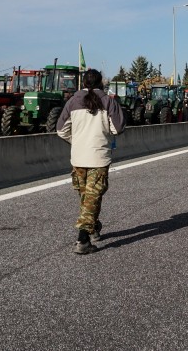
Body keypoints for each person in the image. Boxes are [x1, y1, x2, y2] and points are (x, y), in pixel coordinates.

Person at [56, 69, 126, 255]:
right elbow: (117, 128)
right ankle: (83, 240)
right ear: (101, 82)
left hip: (78, 157)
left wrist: (78, 141)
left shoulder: (72, 102)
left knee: (86, 197)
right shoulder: (109, 102)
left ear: (83, 82)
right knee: (92, 198)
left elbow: (61, 130)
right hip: (98, 157)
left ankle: (93, 228)